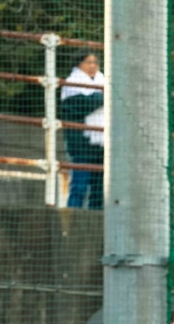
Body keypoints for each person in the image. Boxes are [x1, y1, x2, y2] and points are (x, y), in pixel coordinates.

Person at [61, 50, 105, 209]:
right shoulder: (71, 84)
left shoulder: (103, 81)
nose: (93, 66)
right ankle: (72, 220)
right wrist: (104, 96)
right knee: (79, 186)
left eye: (95, 62)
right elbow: (81, 105)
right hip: (81, 143)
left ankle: (97, 220)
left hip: (102, 143)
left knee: (99, 189)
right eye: (88, 62)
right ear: (79, 64)